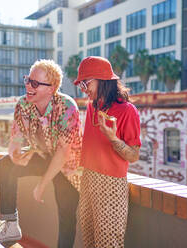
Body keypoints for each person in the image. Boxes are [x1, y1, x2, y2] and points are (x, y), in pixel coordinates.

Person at [0, 59, 82, 247]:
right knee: (5, 164)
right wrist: (17, 153)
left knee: (66, 213)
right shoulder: (23, 104)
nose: (28, 85)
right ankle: (10, 224)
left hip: (68, 167)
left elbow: (62, 153)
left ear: (51, 88)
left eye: (35, 83)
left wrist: (42, 185)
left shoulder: (68, 107)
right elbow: (17, 138)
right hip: (43, 157)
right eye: (27, 80)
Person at [73, 56, 141, 248]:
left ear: (102, 80)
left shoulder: (127, 111)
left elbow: (134, 155)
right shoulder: (92, 106)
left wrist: (113, 139)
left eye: (85, 83)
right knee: (88, 240)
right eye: (81, 85)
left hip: (111, 184)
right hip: (88, 178)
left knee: (108, 242)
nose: (84, 89)